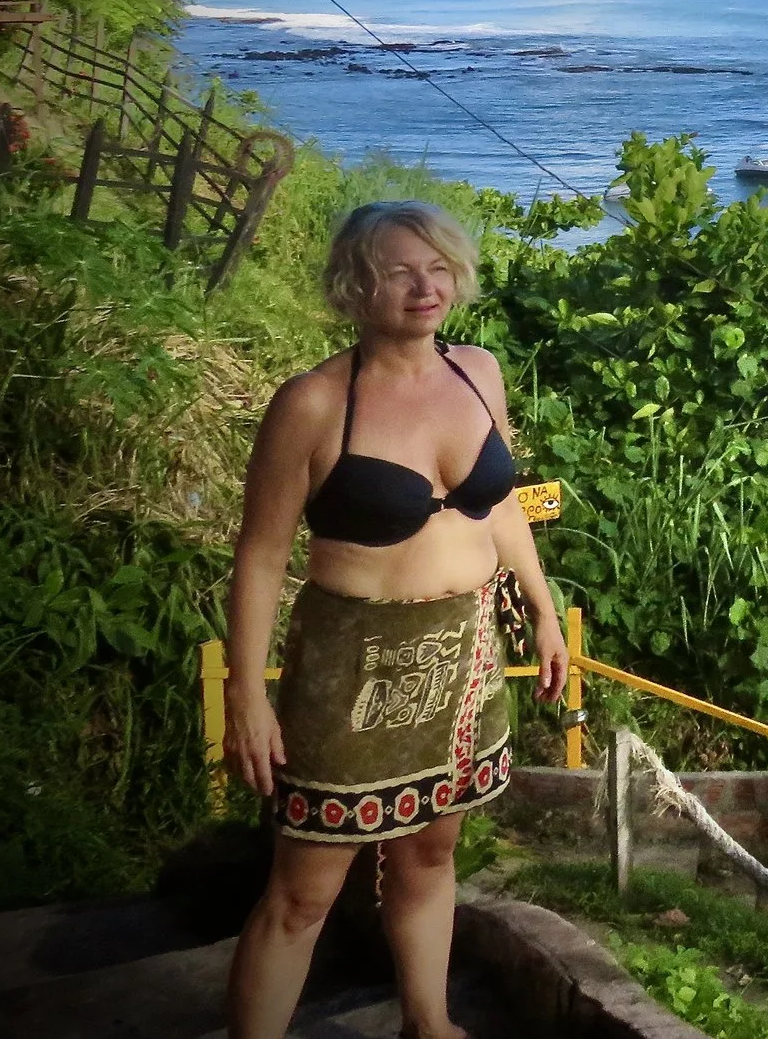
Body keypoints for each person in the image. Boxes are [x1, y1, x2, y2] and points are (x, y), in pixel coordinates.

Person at [222, 201, 567, 1039]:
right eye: (400, 271)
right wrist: (246, 693)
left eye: (438, 267)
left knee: (429, 852)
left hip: (465, 655)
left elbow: (500, 504)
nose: (425, 287)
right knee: (303, 893)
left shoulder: (478, 372)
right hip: (351, 671)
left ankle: (428, 1022)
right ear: (355, 285)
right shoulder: (312, 403)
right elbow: (261, 555)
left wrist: (543, 606)